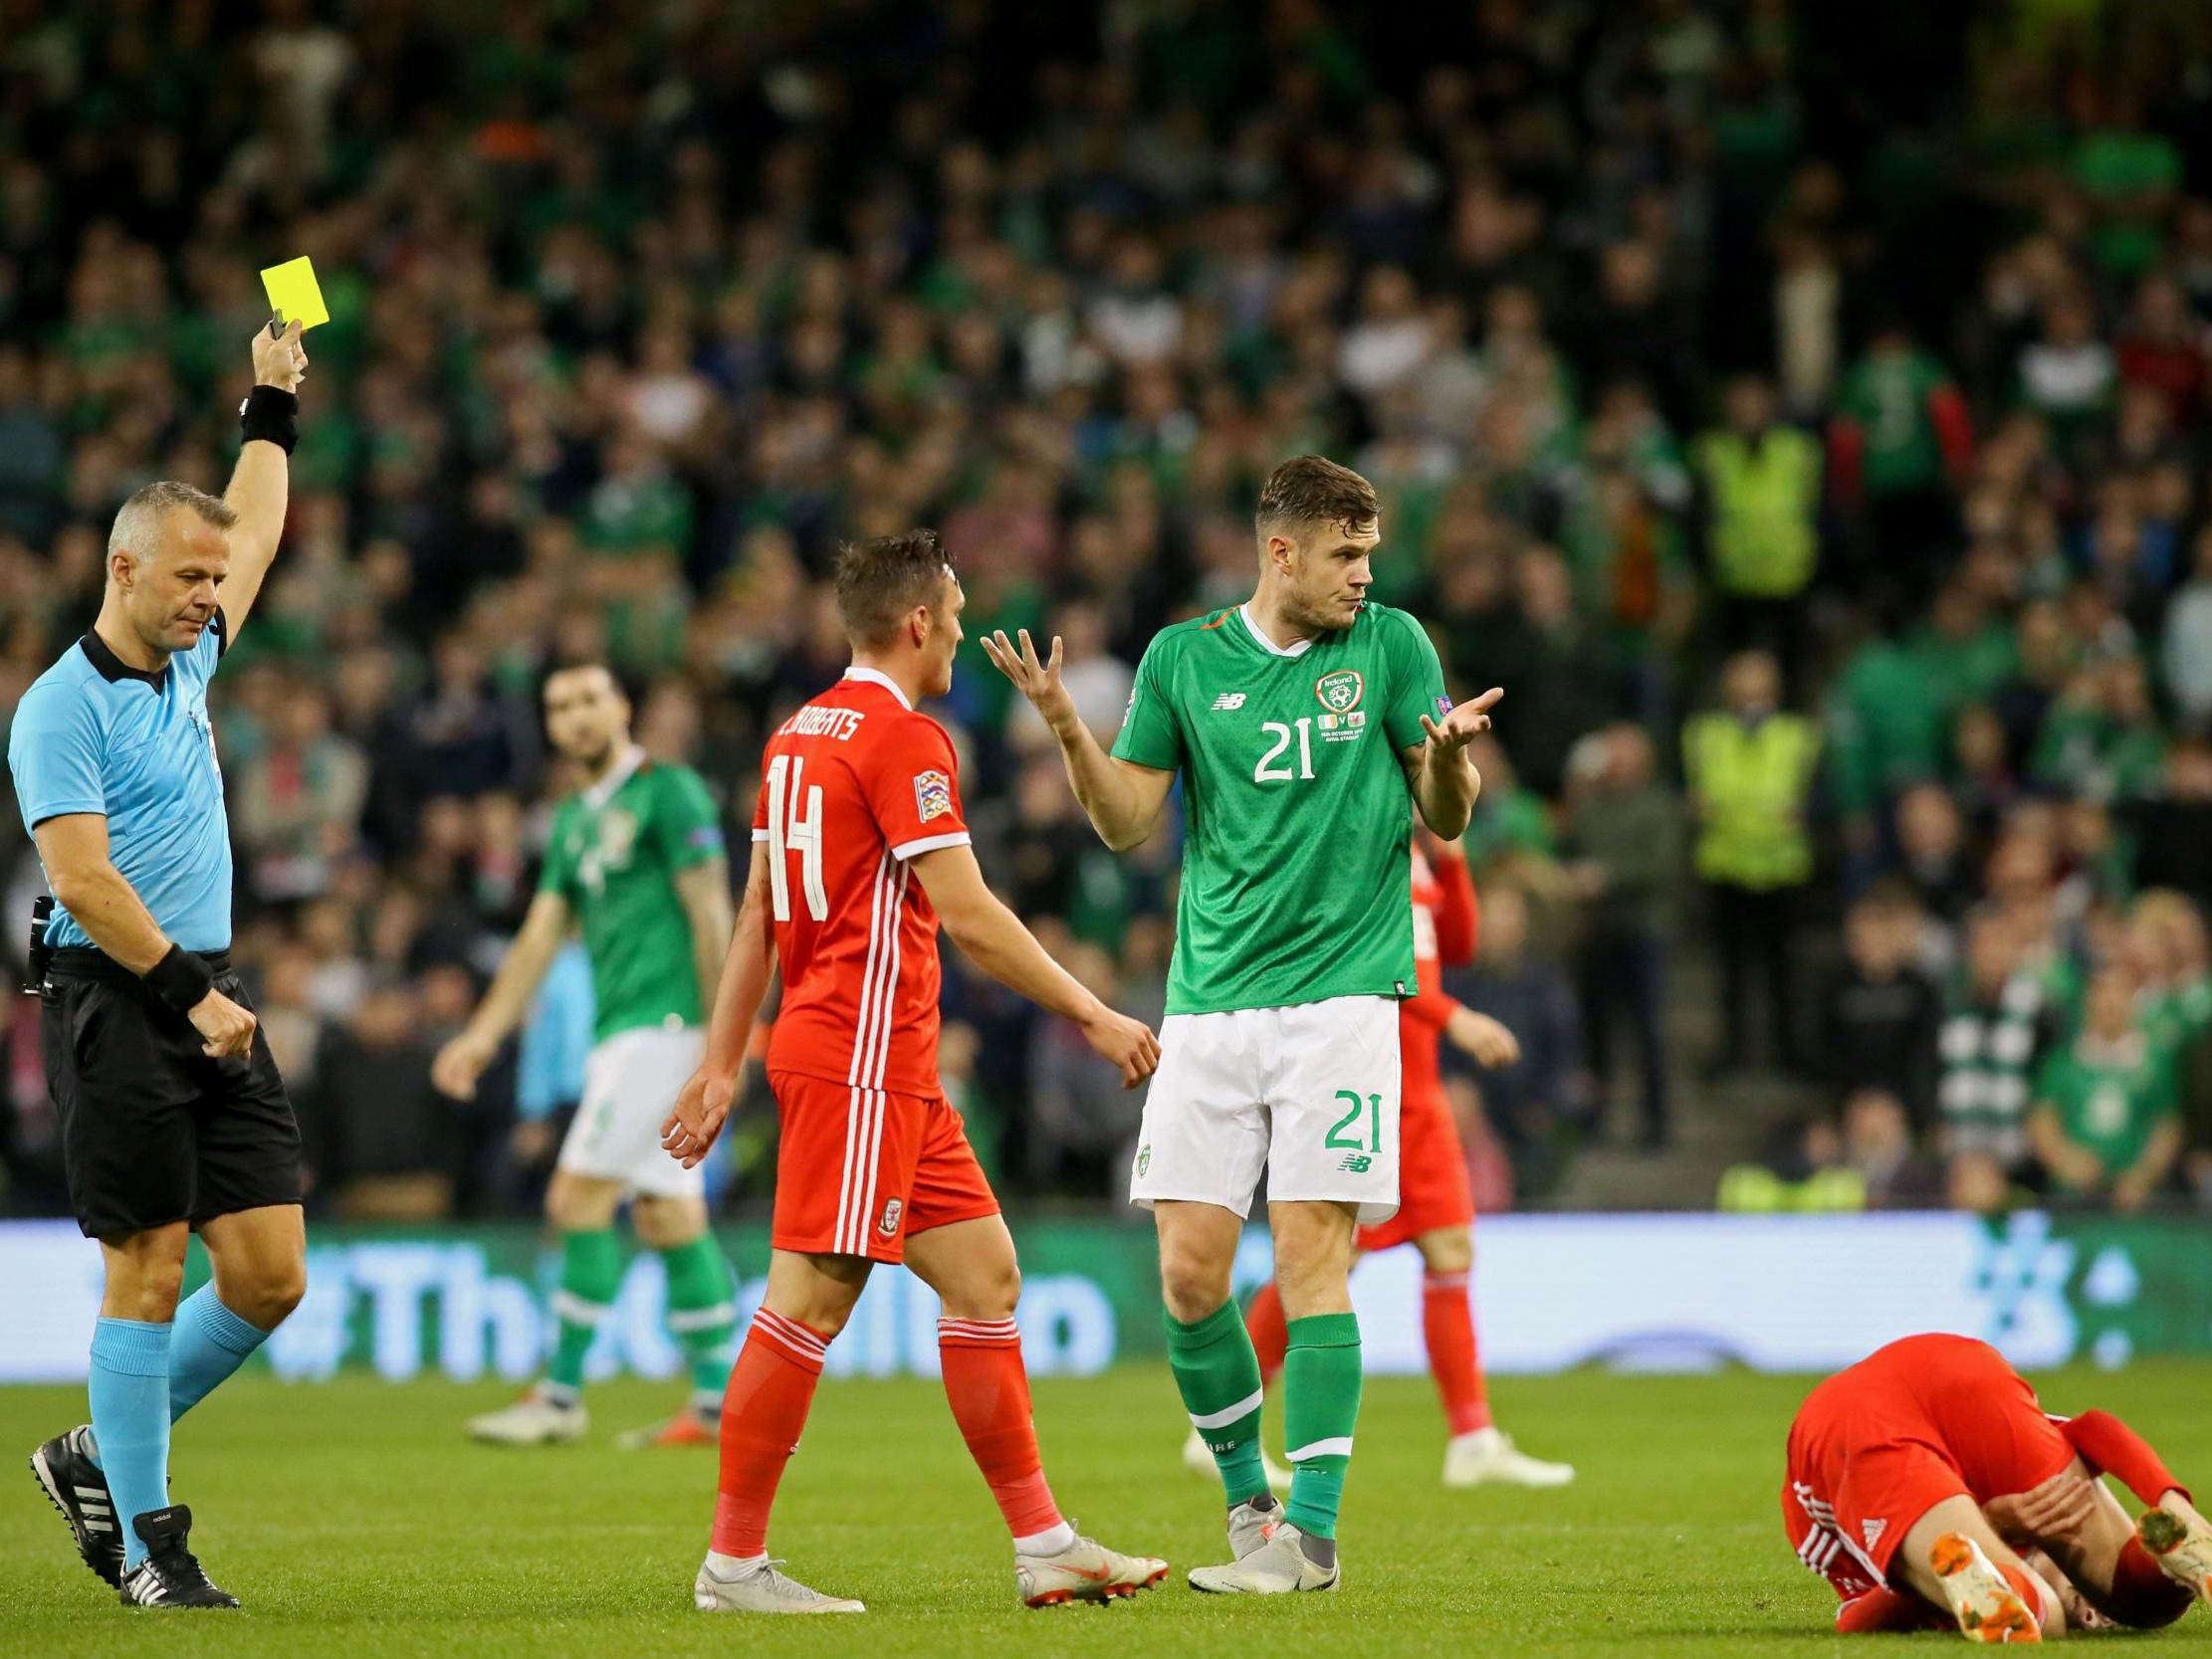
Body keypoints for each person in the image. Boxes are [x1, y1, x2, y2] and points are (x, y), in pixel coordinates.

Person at [987, 454, 1497, 1594]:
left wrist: (1452, 761)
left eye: (1370, 553)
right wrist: (1069, 724)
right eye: (1345, 554)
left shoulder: (1391, 646)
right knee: (1187, 1274)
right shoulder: (1180, 658)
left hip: (1341, 1001)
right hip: (1209, 1004)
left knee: (1314, 1262)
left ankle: (1309, 1540)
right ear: (1280, 551)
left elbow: (1443, 817)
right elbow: (1125, 823)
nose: (1364, 574)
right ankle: (1248, 1507)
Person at [660, 530, 1167, 1614]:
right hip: (857, 1056)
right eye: (955, 603)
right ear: (915, 624)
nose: (965, 618)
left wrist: (720, 1061)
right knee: (808, 1297)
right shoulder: (905, 739)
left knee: (984, 1275)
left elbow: (757, 908)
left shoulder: (796, 733)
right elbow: (969, 912)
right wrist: (1091, 1009)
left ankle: (1044, 1544)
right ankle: (733, 1565)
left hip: (879, 1063)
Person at [9, 321, 310, 1607]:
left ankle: (94, 1448)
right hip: (119, 996)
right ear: (122, 567)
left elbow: (256, 519)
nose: (210, 596)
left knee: (270, 1275)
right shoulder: (56, 708)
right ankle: (147, 1543)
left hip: (208, 989)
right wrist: (196, 998)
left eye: (214, 581)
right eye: (188, 578)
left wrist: (273, 402)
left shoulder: (188, 656)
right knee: (151, 1264)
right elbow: (78, 878)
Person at [1186, 831, 1574, 1492]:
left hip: (1416, 1091)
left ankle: (1473, 1436)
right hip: (1360, 1073)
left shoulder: (1417, 847)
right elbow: (1364, 962)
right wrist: (1455, 1018)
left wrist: (1451, 855)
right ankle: (1218, 1427)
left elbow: (1456, 946)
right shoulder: (1353, 835)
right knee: (1326, 1258)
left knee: (1450, 1248)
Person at [430, 664, 741, 1448]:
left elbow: (713, 911)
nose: (574, 716)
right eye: (558, 705)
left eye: (588, 699)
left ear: (623, 704)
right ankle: (715, 1402)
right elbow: (539, 937)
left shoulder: (671, 793)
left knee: (576, 1198)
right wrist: (483, 1033)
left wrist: (722, 1037)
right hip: (623, 1032)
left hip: (667, 1026)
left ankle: (561, 1395)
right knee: (669, 1213)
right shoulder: (570, 820)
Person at [1784, 1333, 2212, 1639]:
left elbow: (1856, 1618)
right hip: (1910, 1391)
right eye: (2101, 1615)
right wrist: (2171, 1499)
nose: (2094, 1617)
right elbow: (2092, 1428)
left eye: (2095, 1623)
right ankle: (2176, 1536)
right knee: (2092, 1608)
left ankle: (2170, 1554)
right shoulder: (2050, 1511)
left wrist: (1935, 1570)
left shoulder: (1989, 1572)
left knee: (2078, 1612)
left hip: (1938, 1367)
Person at [1684, 649, 1819, 1077]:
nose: (1750, 685)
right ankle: (1734, 1050)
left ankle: (1786, 1049)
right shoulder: (1705, 733)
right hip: (1726, 864)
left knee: (1783, 968)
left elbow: (1806, 792)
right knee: (1732, 969)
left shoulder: (1797, 734)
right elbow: (1704, 795)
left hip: (1782, 865)